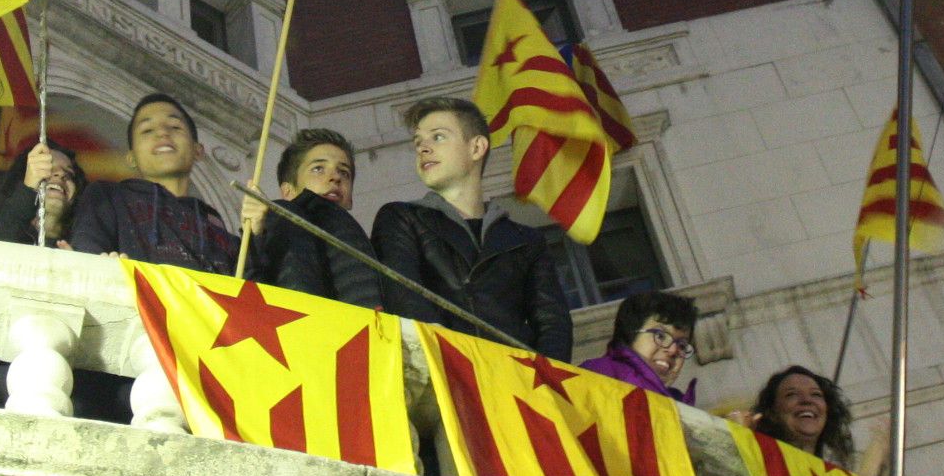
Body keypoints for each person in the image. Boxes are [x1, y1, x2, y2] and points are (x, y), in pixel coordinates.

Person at [370, 98, 572, 359]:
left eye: (438, 137)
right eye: (418, 142)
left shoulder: (527, 240)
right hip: (444, 379)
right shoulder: (400, 218)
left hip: (515, 385)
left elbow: (552, 324)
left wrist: (544, 382)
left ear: (476, 147)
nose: (424, 149)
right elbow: (405, 301)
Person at [68, 92, 238, 272]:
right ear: (132, 158)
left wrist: (260, 233)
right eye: (148, 130)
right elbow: (88, 250)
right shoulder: (108, 196)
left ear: (198, 150)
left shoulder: (214, 224)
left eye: (175, 127)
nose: (163, 133)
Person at [242, 128, 381, 309]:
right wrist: (255, 233)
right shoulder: (279, 218)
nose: (335, 177)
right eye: (318, 169)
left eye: (344, 172)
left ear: (350, 197)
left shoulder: (369, 247)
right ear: (288, 191)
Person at [578, 291, 699, 402]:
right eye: (661, 336)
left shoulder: (677, 405)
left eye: (682, 345)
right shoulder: (593, 380)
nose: (674, 350)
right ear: (630, 334)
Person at [744, 363, 860, 470]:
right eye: (792, 394)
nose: (807, 400)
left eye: (816, 394)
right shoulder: (755, 466)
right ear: (772, 413)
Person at [0, 141, 86, 246]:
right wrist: (28, 189)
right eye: (47, 168)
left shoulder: (84, 246)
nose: (62, 174)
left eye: (69, 174)